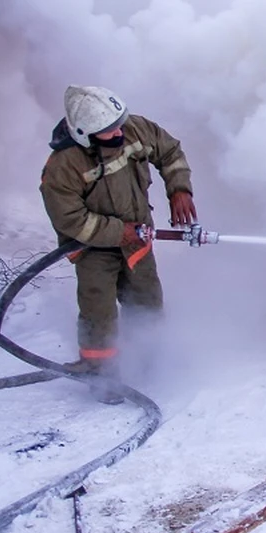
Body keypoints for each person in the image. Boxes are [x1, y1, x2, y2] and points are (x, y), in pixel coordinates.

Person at [40, 85, 197, 403]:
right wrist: (117, 232)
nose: (118, 132)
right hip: (92, 247)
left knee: (147, 300)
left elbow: (170, 152)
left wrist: (180, 189)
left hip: (136, 241)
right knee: (98, 310)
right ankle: (101, 372)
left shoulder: (135, 128)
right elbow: (70, 219)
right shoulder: (63, 166)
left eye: (118, 123)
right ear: (85, 134)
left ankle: (152, 360)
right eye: (108, 130)